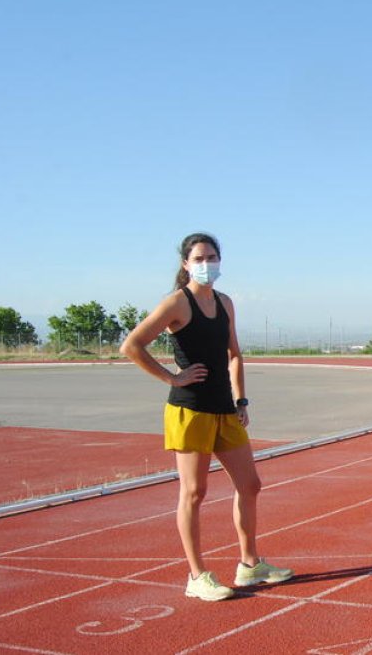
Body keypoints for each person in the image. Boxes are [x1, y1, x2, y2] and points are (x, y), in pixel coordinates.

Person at [120, 232, 292, 601]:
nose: (206, 264)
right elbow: (131, 345)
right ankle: (196, 576)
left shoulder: (226, 302)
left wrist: (241, 401)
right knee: (194, 492)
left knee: (250, 485)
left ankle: (250, 565)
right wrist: (172, 376)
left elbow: (234, 354)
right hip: (189, 408)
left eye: (211, 257)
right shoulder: (176, 304)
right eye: (198, 258)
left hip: (224, 407)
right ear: (185, 264)